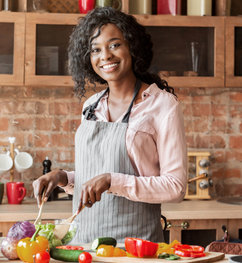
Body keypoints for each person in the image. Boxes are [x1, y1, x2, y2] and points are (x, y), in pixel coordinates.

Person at [33, 7, 187, 244]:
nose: (105, 56)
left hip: (136, 249)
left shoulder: (161, 105)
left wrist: (111, 181)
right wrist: (63, 177)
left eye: (114, 45)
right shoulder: (92, 105)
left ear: (132, 47)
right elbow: (95, 179)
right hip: (84, 245)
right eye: (96, 49)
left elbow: (175, 187)